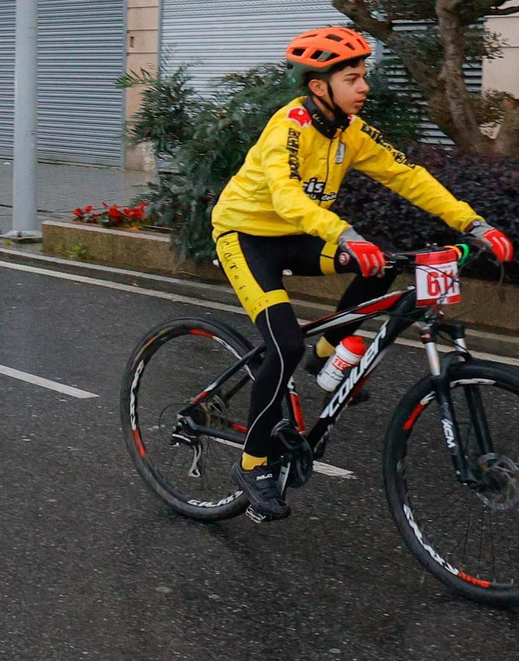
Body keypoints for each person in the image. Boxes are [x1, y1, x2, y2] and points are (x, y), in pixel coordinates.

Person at [212, 26, 513, 522]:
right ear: (318, 86)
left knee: (386, 261)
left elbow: (407, 176)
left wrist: (472, 223)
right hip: (246, 238)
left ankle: (329, 352)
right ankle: (253, 462)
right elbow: (287, 197)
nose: (364, 87)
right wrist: (346, 235)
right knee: (285, 345)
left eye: (363, 76)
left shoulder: (350, 131)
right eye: (352, 78)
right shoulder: (287, 128)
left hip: (298, 234)